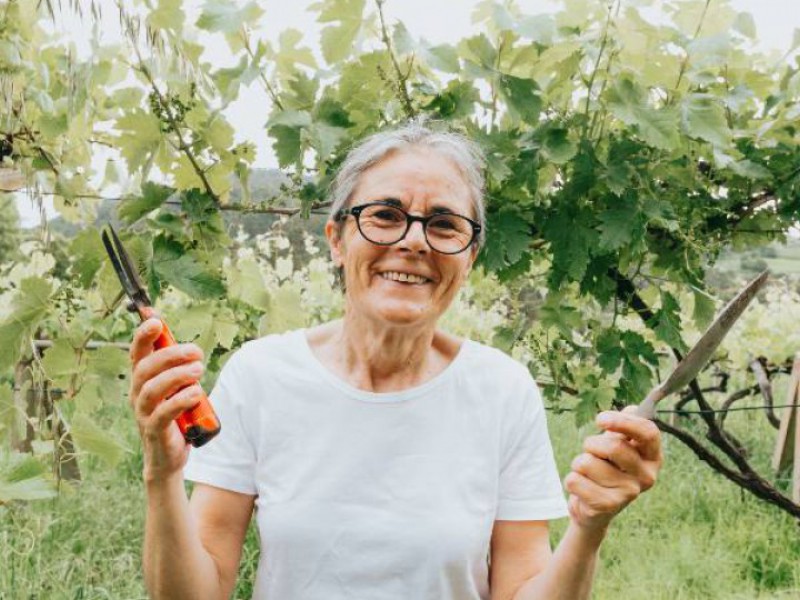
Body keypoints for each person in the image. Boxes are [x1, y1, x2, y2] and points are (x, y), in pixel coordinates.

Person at [128, 122, 662, 600]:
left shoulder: (502, 390)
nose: (412, 241)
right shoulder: (260, 376)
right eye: (385, 215)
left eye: (445, 225)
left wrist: (589, 526)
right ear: (337, 239)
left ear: (469, 257)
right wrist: (162, 474)